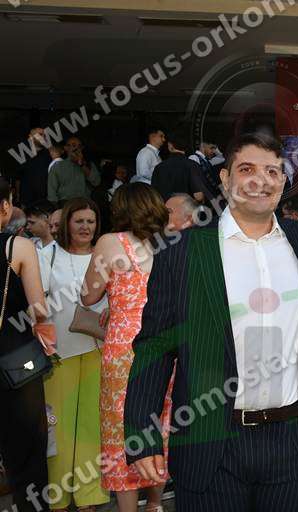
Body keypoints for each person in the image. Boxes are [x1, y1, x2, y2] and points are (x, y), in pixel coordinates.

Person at [124, 132, 298, 511]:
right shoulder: (184, 251)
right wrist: (141, 434)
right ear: (225, 179)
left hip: (296, 443)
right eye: (247, 169)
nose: (261, 180)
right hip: (209, 444)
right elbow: (155, 347)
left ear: (283, 180)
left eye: (272, 171)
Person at [81, 183, 172, 512]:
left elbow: (88, 295)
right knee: (160, 422)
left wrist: (113, 298)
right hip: (162, 343)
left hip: (124, 345)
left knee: (120, 428)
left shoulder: (110, 242)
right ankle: (156, 504)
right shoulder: (169, 243)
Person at [42, 198, 110, 511]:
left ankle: (90, 498)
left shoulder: (105, 255)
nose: (85, 227)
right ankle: (56, 499)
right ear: (67, 222)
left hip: (99, 350)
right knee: (57, 430)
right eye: (79, 221)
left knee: (92, 429)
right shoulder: (48, 255)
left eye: (91, 221)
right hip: (57, 354)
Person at [0, 177, 53, 512]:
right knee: (28, 456)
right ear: (5, 206)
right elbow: (39, 310)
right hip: (16, 361)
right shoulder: (17, 247)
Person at [151, 133, 205, 202]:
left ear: (170, 145)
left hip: (164, 207)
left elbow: (154, 195)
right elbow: (199, 196)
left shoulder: (159, 167)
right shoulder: (193, 165)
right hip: (186, 207)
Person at [47, 137, 101, 205]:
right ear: (66, 148)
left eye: (79, 146)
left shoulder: (88, 164)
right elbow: (51, 194)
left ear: (82, 148)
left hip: (85, 203)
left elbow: (96, 182)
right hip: (66, 204)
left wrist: (81, 164)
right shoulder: (57, 167)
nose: (76, 148)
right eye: (73, 145)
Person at [17, 128, 51, 208]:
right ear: (30, 137)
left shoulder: (49, 154)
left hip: (45, 201)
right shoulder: (22, 155)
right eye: (40, 134)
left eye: (44, 135)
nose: (43, 137)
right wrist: (19, 197)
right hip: (27, 201)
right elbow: (18, 178)